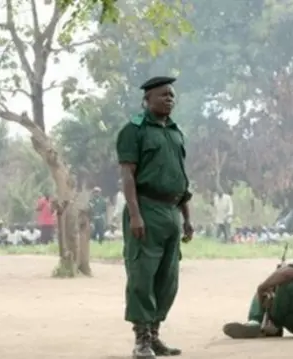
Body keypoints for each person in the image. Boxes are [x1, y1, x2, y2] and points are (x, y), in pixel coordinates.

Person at [116, 76, 194, 359]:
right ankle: (141, 340)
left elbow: (181, 178)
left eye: (172, 95)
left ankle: (156, 336)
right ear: (146, 100)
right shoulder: (133, 131)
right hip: (146, 209)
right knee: (142, 276)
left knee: (167, 279)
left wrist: (186, 217)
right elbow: (127, 175)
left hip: (172, 211)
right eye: (163, 95)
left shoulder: (175, 132)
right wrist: (135, 215)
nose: (169, 99)